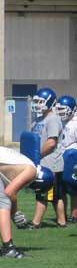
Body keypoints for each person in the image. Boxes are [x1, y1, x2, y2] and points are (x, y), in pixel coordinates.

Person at [29, 87, 64, 228]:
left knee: (46, 194)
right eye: (36, 101)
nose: (37, 104)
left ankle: (35, 222)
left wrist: (36, 155)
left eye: (41, 101)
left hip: (52, 164)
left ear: (49, 102)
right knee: (54, 196)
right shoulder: (37, 119)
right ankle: (61, 222)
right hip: (42, 163)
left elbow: (51, 143)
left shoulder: (53, 119)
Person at [54, 95, 77, 223]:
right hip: (60, 157)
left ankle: (74, 215)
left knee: (74, 188)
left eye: (64, 110)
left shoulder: (75, 123)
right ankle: (64, 216)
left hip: (72, 157)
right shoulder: (60, 122)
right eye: (59, 109)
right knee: (61, 189)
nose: (61, 112)